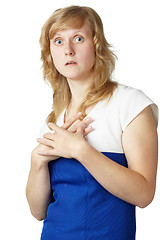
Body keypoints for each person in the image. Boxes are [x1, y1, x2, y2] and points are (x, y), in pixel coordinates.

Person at [26, 5, 158, 240]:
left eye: (78, 38)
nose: (68, 50)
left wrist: (80, 150)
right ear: (50, 53)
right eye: (58, 41)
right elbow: (38, 212)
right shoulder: (53, 121)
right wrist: (37, 162)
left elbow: (144, 194)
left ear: (96, 44)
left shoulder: (130, 105)